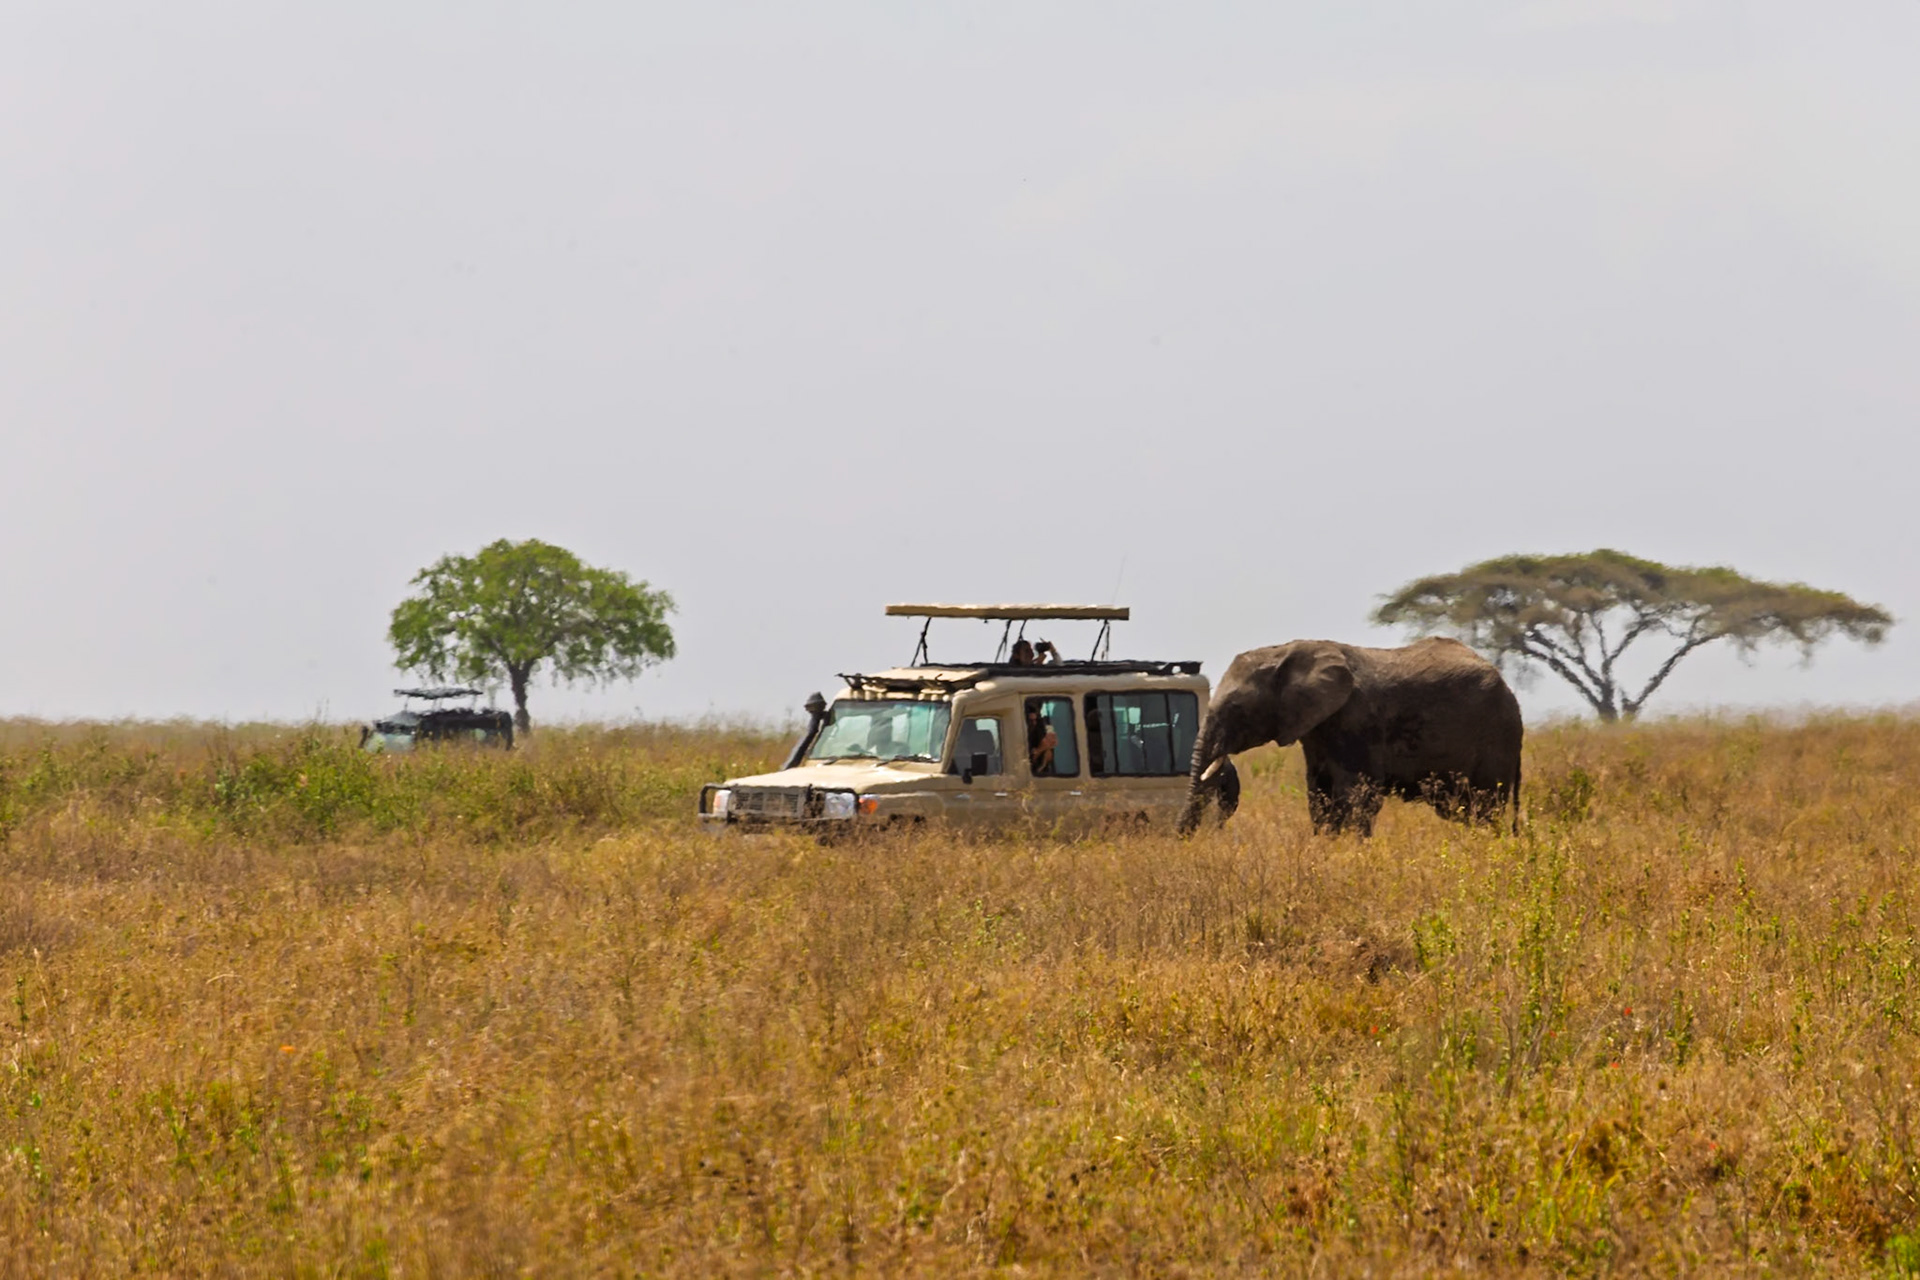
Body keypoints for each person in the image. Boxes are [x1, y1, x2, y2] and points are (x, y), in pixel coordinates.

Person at [1026, 703, 1058, 775]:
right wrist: (1041, 749)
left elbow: (1049, 758)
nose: (1033, 723)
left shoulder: (1038, 731)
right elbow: (1026, 763)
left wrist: (1048, 747)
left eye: (1035, 720)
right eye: (1030, 721)